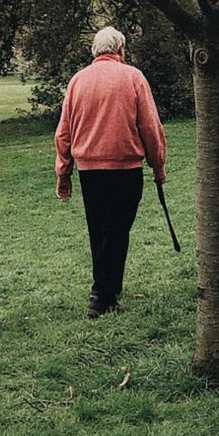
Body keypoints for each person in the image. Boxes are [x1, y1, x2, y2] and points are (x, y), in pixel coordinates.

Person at [55, 27, 167, 318]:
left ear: (95, 51)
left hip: (89, 170)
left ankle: (105, 290)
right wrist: (158, 164)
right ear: (121, 50)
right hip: (125, 168)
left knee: (99, 230)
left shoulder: (78, 81)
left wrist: (63, 172)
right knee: (117, 231)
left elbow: (64, 132)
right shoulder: (133, 77)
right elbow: (150, 127)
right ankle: (102, 294)